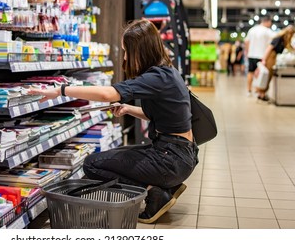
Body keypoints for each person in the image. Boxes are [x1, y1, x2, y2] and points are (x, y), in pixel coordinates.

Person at [29, 19, 199, 224]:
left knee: (93, 164)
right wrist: (128, 109)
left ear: (141, 51)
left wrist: (60, 90)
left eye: (127, 51)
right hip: (180, 154)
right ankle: (165, 185)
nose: (126, 57)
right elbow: (161, 117)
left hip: (170, 160)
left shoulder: (156, 77)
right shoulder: (167, 73)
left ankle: (155, 191)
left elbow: (108, 93)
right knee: (114, 156)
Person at [257, 25, 295, 101]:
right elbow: (269, 48)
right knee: (266, 76)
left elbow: (290, 47)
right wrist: (264, 59)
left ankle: (263, 93)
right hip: (270, 57)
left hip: (274, 57)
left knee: (269, 76)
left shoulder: (284, 40)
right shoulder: (279, 38)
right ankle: (261, 94)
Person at [244, 16, 274, 96]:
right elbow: (273, 41)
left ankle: (249, 91)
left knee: (250, 73)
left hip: (251, 55)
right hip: (262, 56)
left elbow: (246, 42)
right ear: (267, 22)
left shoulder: (252, 30)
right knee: (261, 74)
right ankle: (259, 92)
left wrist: (247, 52)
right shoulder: (267, 31)